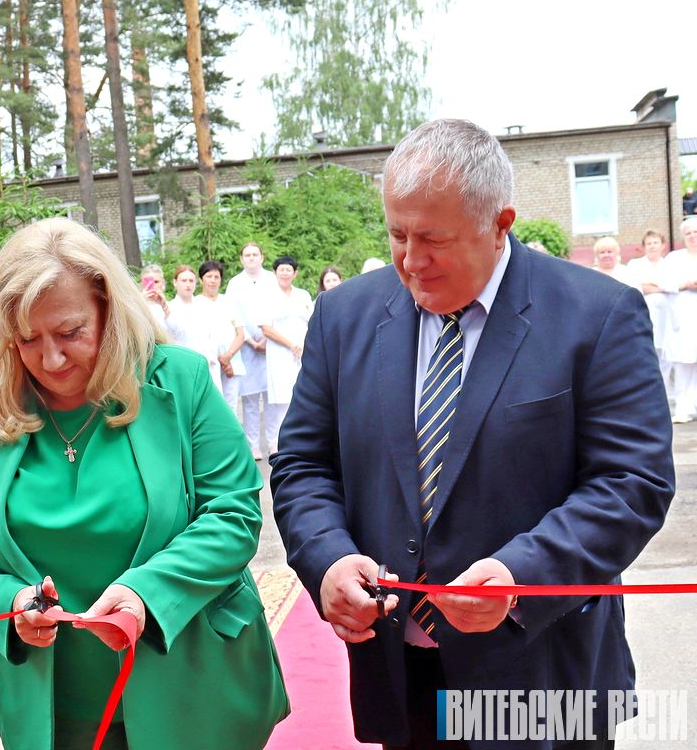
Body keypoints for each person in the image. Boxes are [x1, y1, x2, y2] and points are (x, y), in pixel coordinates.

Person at [270, 119, 674, 749]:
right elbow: (303, 465)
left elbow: (631, 483)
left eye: (434, 239)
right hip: (401, 671)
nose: (410, 260)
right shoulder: (343, 317)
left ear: (500, 222)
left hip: (538, 671)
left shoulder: (595, 315)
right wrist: (326, 558)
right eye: (397, 234)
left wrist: (519, 574)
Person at [0, 218, 288, 750]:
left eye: (71, 333)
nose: (50, 360)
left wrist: (147, 591)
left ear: (110, 308)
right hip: (56, 709)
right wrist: (8, 603)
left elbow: (234, 515)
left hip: (191, 685)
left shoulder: (178, 379)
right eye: (27, 339)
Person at [225, 242, 277, 459]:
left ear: (262, 257)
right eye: (247, 255)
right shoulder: (234, 284)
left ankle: (275, 443)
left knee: (273, 397)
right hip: (245, 347)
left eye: (255, 254)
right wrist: (249, 339)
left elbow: (276, 307)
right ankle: (253, 444)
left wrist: (266, 337)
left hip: (273, 344)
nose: (252, 258)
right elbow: (232, 314)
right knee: (250, 400)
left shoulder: (271, 280)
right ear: (241, 259)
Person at [259, 255, 314, 454]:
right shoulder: (267, 296)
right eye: (281, 269)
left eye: (288, 269)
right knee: (280, 400)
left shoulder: (302, 295)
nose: (285, 273)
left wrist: (303, 344)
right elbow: (266, 328)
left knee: (302, 394)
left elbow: (312, 322)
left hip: (303, 351)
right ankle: (276, 443)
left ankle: (300, 440)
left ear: (295, 273)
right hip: (279, 352)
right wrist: (291, 344)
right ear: (275, 273)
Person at [628, 229, 673, 405]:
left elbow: (674, 284)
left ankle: (667, 396)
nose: (652, 246)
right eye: (649, 243)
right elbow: (637, 286)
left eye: (655, 242)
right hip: (645, 315)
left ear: (662, 245)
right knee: (647, 354)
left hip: (667, 318)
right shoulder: (635, 264)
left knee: (666, 357)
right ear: (643, 247)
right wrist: (662, 286)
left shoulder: (669, 264)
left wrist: (654, 285)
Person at [197, 260, 246, 410]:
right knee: (212, 405)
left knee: (231, 406)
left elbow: (240, 333)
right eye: (209, 276)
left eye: (216, 277)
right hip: (209, 361)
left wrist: (228, 356)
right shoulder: (195, 303)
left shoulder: (228, 302)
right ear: (201, 280)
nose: (212, 281)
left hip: (232, 360)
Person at [662, 217, 697, 423]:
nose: (693, 237)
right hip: (682, 321)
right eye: (689, 233)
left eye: (696, 232)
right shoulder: (675, 259)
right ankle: (683, 408)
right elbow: (664, 283)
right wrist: (686, 284)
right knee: (684, 365)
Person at [166, 264, 219, 384]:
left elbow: (214, 335)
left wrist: (209, 358)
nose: (188, 284)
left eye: (191, 280)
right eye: (183, 280)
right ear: (175, 282)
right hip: (184, 365)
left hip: (208, 364)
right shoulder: (169, 308)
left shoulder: (206, 305)